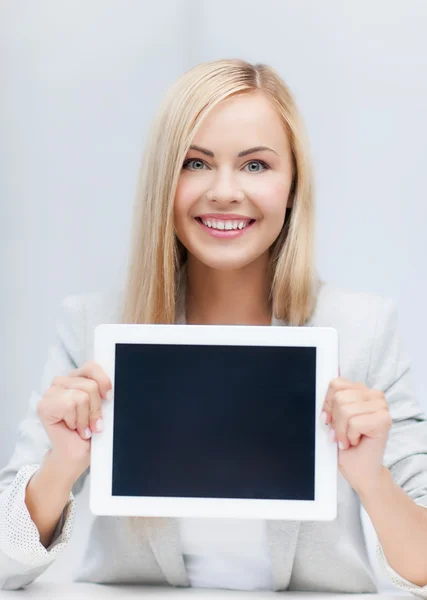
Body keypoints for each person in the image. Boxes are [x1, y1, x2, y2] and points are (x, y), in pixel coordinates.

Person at [1, 58, 427, 595]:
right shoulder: (93, 326)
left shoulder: (362, 330)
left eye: (255, 166)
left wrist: (372, 480)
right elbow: (5, 563)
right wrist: (60, 467)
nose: (224, 191)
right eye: (195, 163)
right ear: (164, 181)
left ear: (293, 184)